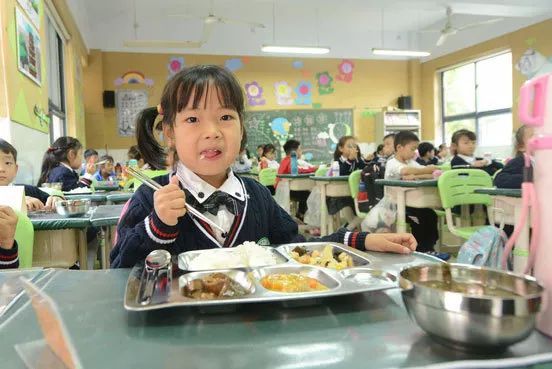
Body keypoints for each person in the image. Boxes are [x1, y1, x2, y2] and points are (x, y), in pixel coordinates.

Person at [110, 65, 417, 268]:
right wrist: (159, 225)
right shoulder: (151, 198)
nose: (213, 131)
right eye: (192, 119)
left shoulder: (255, 195)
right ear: (170, 132)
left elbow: (298, 248)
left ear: (242, 128)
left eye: (226, 117)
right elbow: (119, 272)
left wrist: (360, 240)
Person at [385, 131, 439, 253]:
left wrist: (416, 174)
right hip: (394, 205)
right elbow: (404, 171)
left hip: (411, 203)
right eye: (412, 149)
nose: (415, 153)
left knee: (430, 215)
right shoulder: (392, 163)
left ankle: (429, 248)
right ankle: (421, 250)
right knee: (418, 218)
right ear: (399, 147)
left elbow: (430, 173)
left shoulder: (411, 162)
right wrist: (423, 171)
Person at [0, 139, 63, 211]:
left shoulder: (28, 190)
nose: (1, 169)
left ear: (16, 169)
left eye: (7, 163)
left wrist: (56, 198)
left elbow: (50, 198)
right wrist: (18, 201)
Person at [277, 139, 317, 220]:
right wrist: (313, 169)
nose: (301, 151)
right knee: (309, 195)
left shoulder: (285, 160)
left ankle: (300, 214)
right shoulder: (291, 159)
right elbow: (295, 171)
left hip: (284, 189)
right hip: (287, 191)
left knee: (306, 193)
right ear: (294, 151)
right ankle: (300, 215)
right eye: (300, 149)